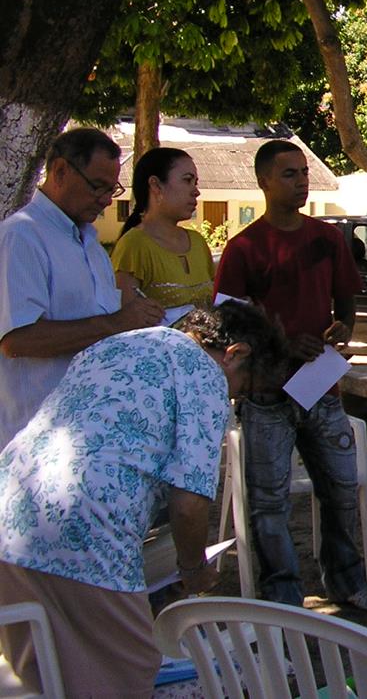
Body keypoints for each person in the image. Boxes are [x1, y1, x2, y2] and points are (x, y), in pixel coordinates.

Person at [0, 302, 289, 698]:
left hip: (9, 507)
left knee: (41, 677)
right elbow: (189, 503)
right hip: (84, 528)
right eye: (241, 388)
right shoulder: (204, 373)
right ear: (235, 353)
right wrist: (193, 569)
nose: (234, 398)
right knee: (131, 672)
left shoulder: (119, 343)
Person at [213, 139, 367, 611]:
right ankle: (284, 598)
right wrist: (282, 344)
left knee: (342, 488)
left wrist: (343, 327)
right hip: (266, 394)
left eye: (304, 172)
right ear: (264, 182)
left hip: (321, 387)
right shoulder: (244, 248)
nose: (301, 182)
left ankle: (346, 583)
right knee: (269, 503)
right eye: (289, 174)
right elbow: (227, 322)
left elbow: (346, 301)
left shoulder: (327, 238)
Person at [0, 127, 162, 446]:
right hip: (33, 439)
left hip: (86, 433)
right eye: (97, 186)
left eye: (112, 189)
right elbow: (16, 339)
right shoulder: (21, 237)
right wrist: (117, 323)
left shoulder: (90, 244)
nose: (105, 200)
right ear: (61, 171)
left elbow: (102, 329)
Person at [111, 147, 214, 308]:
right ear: (156, 186)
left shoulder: (198, 242)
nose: (196, 192)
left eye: (195, 183)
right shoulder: (133, 246)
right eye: (187, 180)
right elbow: (126, 318)